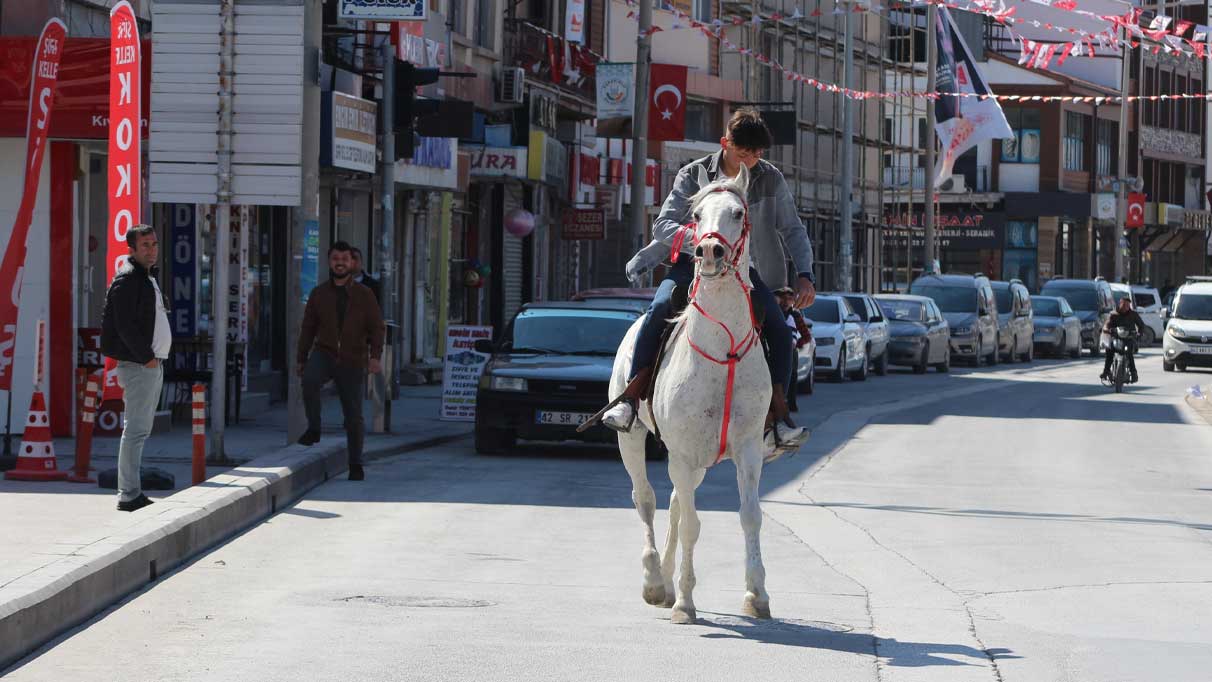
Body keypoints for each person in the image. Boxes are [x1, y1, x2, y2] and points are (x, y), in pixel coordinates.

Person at [602, 108, 816, 455]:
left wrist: (805, 274)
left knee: (777, 327)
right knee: (659, 309)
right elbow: (663, 226)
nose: (751, 161)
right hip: (695, 266)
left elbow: (792, 229)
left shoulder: (769, 179)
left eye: (757, 154)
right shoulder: (692, 174)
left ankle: (777, 418)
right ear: (725, 144)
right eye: (744, 152)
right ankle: (630, 398)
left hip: (744, 272)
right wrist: (703, 242)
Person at [297, 241, 385, 480]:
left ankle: (355, 463)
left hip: (353, 357)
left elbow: (377, 327)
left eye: (345, 259)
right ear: (329, 261)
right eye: (336, 258)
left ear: (352, 263)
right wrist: (301, 357)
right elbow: (308, 328)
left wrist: (375, 356)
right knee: (309, 381)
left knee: (353, 415)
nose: (340, 262)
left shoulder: (364, 294)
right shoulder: (319, 293)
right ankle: (314, 428)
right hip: (324, 352)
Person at [100, 225, 171, 512]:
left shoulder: (146, 278)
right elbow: (123, 325)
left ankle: (131, 491)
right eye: (145, 245)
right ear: (131, 249)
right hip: (140, 365)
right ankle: (128, 495)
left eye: (154, 244)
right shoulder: (128, 280)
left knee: (140, 430)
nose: (151, 250)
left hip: (150, 364)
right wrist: (146, 357)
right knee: (135, 431)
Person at [1101, 297, 1147, 383]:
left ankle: (1133, 373)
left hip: (1129, 339)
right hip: (1116, 338)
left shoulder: (1133, 314)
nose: (1126, 307)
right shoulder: (1113, 314)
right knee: (1109, 350)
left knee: (1129, 353)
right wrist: (1108, 329)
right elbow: (1106, 325)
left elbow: (1141, 325)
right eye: (1124, 304)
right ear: (1120, 304)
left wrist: (1139, 333)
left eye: (1128, 305)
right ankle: (1106, 371)